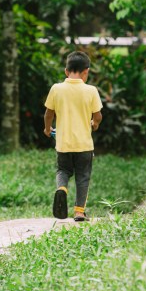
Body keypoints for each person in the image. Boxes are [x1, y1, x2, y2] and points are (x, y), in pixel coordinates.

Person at [43, 50, 102, 221]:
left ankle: (61, 188)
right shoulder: (91, 90)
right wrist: (95, 124)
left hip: (63, 144)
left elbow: (48, 114)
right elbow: (98, 116)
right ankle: (79, 212)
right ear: (86, 72)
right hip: (84, 145)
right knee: (83, 176)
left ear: (66, 71)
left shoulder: (56, 89)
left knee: (63, 170)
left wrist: (47, 129)